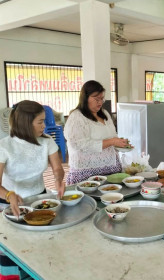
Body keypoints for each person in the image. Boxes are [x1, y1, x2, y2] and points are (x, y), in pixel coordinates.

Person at [0, 100, 65, 279]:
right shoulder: (5, 146)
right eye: (40, 122)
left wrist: (59, 179)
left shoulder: (46, 141)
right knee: (14, 250)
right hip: (10, 204)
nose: (45, 126)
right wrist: (9, 195)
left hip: (39, 200)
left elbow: (57, 168)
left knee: (41, 248)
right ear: (26, 123)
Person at [64, 80, 128, 184]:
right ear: (85, 98)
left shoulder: (105, 114)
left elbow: (113, 136)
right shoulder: (77, 117)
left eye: (102, 99)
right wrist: (112, 141)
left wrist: (120, 143)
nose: (100, 102)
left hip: (111, 170)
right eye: (96, 99)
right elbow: (79, 144)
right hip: (86, 174)